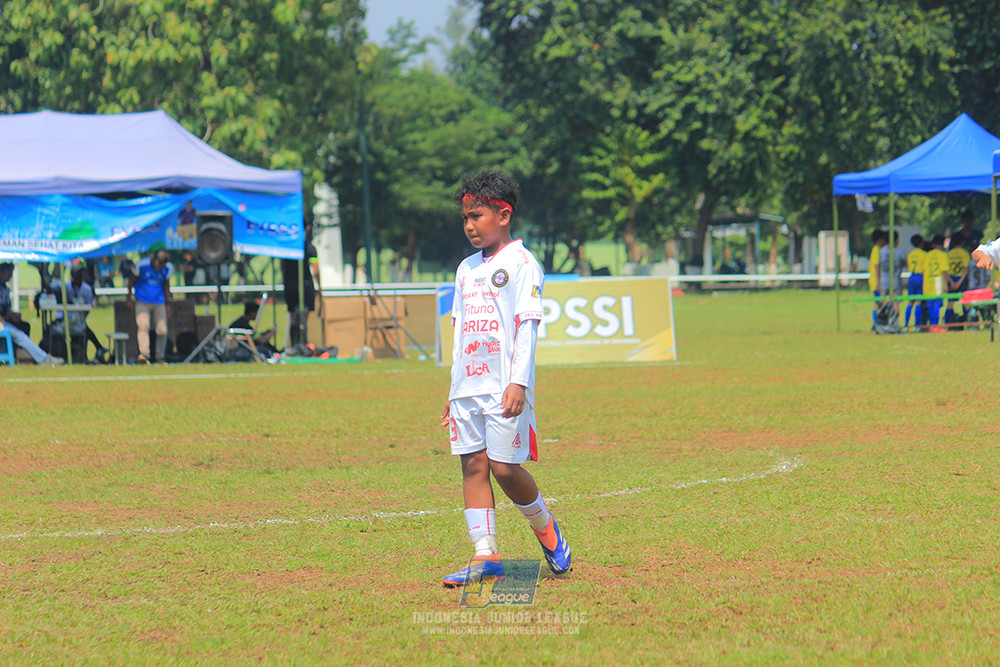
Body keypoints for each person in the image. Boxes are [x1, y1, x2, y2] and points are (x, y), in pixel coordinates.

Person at [439, 169, 571, 588]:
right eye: (465, 218)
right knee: (472, 466)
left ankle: (547, 530)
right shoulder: (465, 269)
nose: (469, 225)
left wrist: (519, 383)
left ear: (503, 214)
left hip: (502, 386)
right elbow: (460, 332)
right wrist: (452, 388)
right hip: (467, 388)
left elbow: (526, 327)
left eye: (477, 216)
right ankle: (485, 555)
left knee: (504, 469)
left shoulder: (522, 263)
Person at [0, 262, 63, 365]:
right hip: (2, 322)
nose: (10, 276)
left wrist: (13, 315)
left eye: (11, 273)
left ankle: (20, 355)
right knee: (19, 334)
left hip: (4, 321)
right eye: (8, 273)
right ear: (1, 272)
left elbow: (5, 309)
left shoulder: (6, 289)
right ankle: (44, 358)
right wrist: (7, 317)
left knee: (24, 326)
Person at [48, 265, 108, 363]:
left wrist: (81, 317)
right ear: (72, 276)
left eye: (81, 275)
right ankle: (99, 347)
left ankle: (89, 353)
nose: (80, 277)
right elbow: (49, 287)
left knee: (83, 328)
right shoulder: (65, 286)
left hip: (79, 321)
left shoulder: (86, 289)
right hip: (65, 321)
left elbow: (89, 307)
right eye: (78, 275)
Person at [127, 250, 172, 364]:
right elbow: (132, 281)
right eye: (159, 264)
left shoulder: (167, 268)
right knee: (143, 326)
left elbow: (166, 286)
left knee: (162, 329)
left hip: (159, 301)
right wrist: (129, 298)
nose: (160, 267)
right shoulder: (142, 265)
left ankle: (160, 356)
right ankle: (144, 355)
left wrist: (168, 304)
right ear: (155, 260)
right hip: (142, 300)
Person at [281, 225, 318, 346]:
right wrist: (319, 286)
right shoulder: (310, 248)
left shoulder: (287, 247)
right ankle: (303, 343)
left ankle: (295, 344)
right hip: (306, 284)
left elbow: (283, 267)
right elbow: (316, 270)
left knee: (293, 316)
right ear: (307, 228)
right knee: (304, 315)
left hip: (290, 284)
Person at [877, 232, 907, 325]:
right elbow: (906, 264)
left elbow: (879, 265)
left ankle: (881, 322)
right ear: (896, 240)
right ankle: (894, 323)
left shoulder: (882, 251)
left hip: (883, 281)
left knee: (882, 301)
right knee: (895, 303)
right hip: (895, 281)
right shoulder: (900, 252)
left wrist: (878, 281)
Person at [923, 235, 950, 332]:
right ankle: (935, 326)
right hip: (938, 281)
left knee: (931, 305)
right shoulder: (943, 255)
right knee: (937, 305)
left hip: (928, 281)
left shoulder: (928, 254)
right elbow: (944, 270)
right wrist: (946, 284)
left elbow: (925, 270)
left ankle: (932, 325)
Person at [945, 232, 971, 325]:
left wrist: (951, 282)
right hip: (962, 279)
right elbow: (966, 269)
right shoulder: (965, 253)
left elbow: (946, 269)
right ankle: (970, 323)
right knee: (966, 302)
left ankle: (947, 324)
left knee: (950, 303)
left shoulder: (949, 254)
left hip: (951, 278)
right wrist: (959, 282)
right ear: (963, 242)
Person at [905, 234, 926, 328]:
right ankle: (917, 325)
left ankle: (906, 324)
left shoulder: (910, 254)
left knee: (910, 302)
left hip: (912, 276)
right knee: (918, 301)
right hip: (920, 276)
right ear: (922, 243)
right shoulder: (924, 254)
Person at [868, 229, 887, 329]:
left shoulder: (876, 249)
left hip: (875, 280)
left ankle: (878, 323)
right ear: (879, 240)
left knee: (879, 303)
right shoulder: (877, 250)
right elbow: (877, 265)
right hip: (876, 281)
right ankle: (875, 324)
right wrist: (878, 282)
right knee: (878, 303)